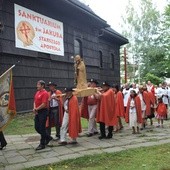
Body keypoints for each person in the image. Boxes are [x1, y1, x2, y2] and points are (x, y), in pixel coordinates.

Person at [33, 80, 51, 150]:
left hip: (43, 111)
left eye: (38, 84)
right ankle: (48, 137)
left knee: (42, 128)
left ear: (42, 85)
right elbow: (35, 101)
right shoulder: (37, 92)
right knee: (37, 127)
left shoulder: (45, 93)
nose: (37, 86)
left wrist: (36, 109)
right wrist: (34, 108)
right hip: (37, 111)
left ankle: (42, 144)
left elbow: (44, 104)